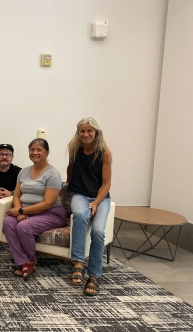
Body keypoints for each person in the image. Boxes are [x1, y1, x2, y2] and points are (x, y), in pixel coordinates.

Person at [3, 138, 66, 280]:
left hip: (51, 213)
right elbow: (17, 195)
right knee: (8, 222)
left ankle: (28, 261)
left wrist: (21, 212)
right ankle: (25, 262)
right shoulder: (23, 172)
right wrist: (19, 208)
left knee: (24, 227)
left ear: (47, 152)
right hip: (28, 212)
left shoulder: (53, 174)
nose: (35, 152)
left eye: (39, 150)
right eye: (32, 149)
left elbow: (48, 203)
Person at [66, 117, 112, 296]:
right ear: (78, 133)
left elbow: (106, 184)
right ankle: (78, 263)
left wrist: (96, 202)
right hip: (80, 194)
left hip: (101, 197)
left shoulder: (104, 153)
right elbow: (70, 169)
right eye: (82, 131)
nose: (85, 134)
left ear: (96, 132)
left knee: (98, 231)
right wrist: (68, 184)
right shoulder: (74, 150)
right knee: (79, 214)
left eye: (89, 131)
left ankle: (93, 275)